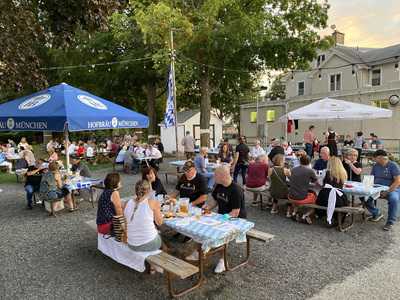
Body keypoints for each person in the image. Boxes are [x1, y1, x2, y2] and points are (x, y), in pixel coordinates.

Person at [195, 165, 246, 273]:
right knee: (199, 225)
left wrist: (220, 220)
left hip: (236, 220)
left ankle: (223, 261)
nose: (213, 176)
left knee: (219, 233)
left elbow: (235, 212)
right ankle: (200, 250)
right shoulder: (219, 185)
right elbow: (216, 201)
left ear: (223, 176)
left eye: (216, 174)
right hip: (222, 216)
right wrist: (208, 207)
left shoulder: (236, 190)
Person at [124, 179, 163, 253]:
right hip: (148, 244)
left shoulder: (127, 203)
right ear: (148, 191)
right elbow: (159, 223)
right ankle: (166, 251)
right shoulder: (153, 203)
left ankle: (165, 249)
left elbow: (127, 225)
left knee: (154, 230)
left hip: (132, 244)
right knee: (159, 234)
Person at [365, 150, 400, 231]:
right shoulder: (376, 166)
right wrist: (368, 187)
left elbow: (397, 181)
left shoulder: (393, 165)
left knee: (394, 199)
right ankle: (376, 213)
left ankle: (390, 222)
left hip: (392, 189)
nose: (373, 160)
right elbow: (372, 178)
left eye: (375, 158)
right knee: (364, 196)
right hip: (377, 188)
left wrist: (387, 192)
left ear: (380, 158)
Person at [314, 157, 349, 225]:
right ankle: (336, 219)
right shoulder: (343, 173)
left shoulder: (326, 172)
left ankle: (323, 215)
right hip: (338, 198)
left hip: (325, 197)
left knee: (319, 200)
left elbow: (320, 183)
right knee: (345, 202)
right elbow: (343, 185)